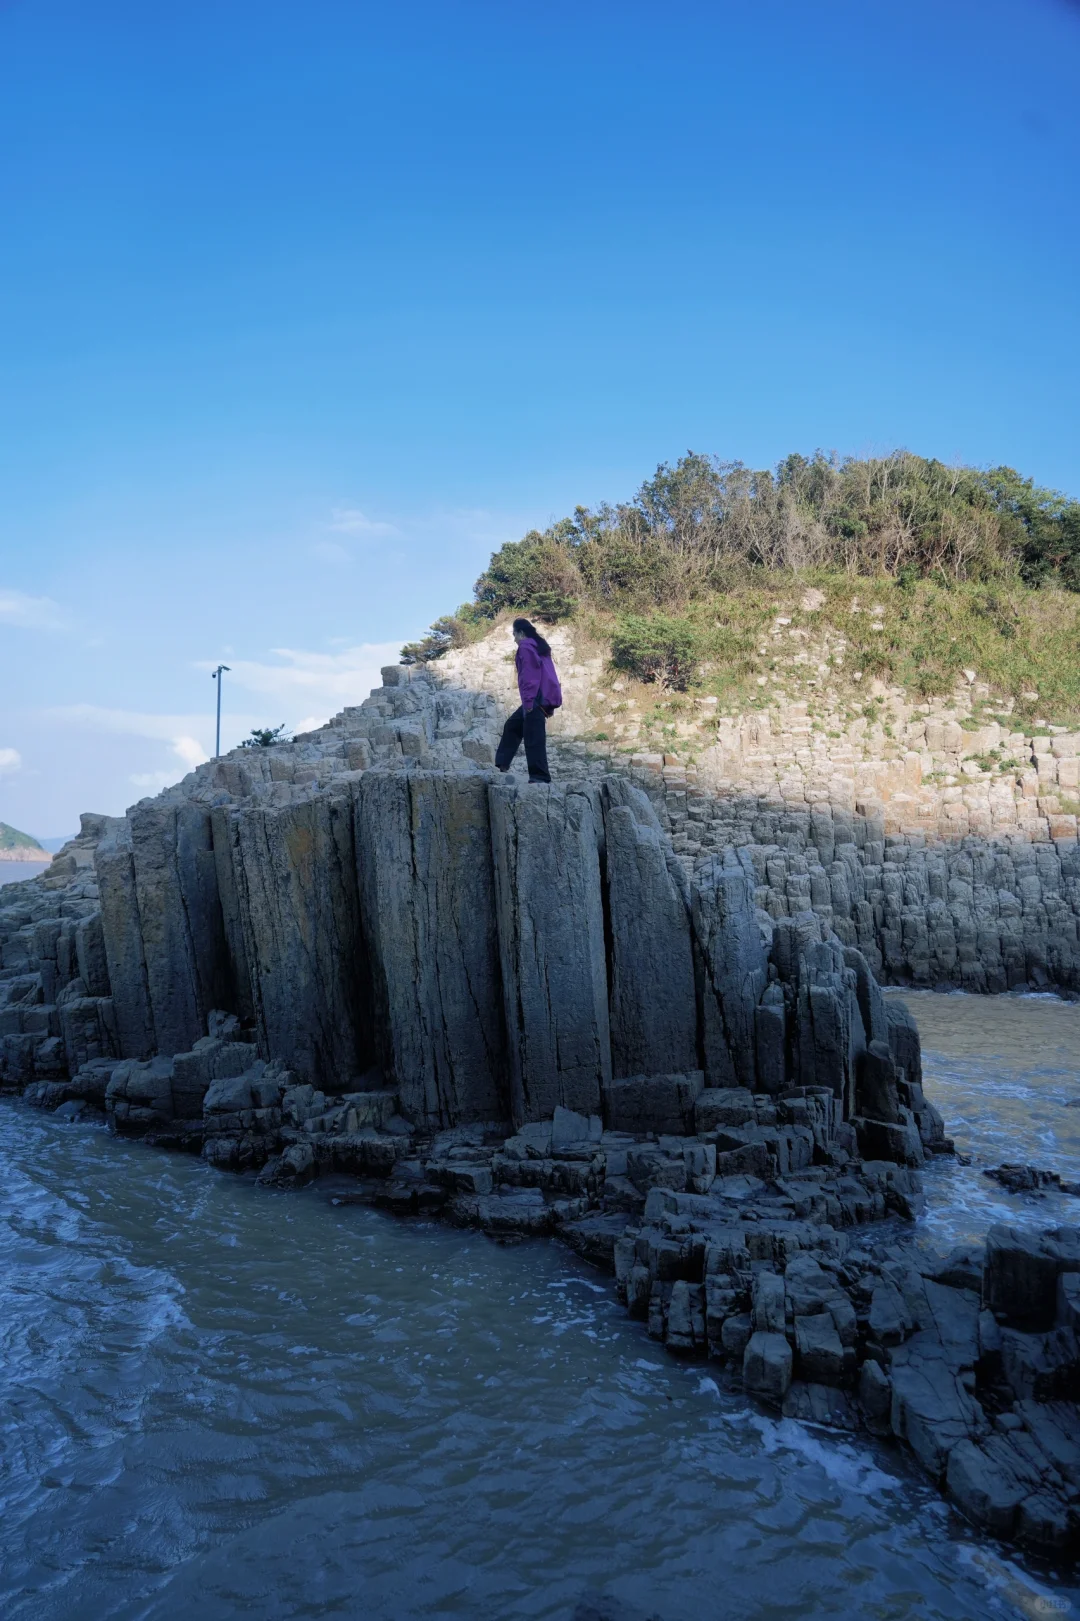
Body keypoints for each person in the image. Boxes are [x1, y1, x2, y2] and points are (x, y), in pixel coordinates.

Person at [494, 618, 562, 784]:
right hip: (539, 696)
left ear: (521, 633)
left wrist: (529, 702)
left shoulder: (525, 647)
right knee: (513, 725)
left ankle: (540, 777)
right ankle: (501, 765)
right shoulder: (538, 647)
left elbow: (529, 676)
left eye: (514, 634)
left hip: (534, 697)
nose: (514, 639)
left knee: (534, 736)